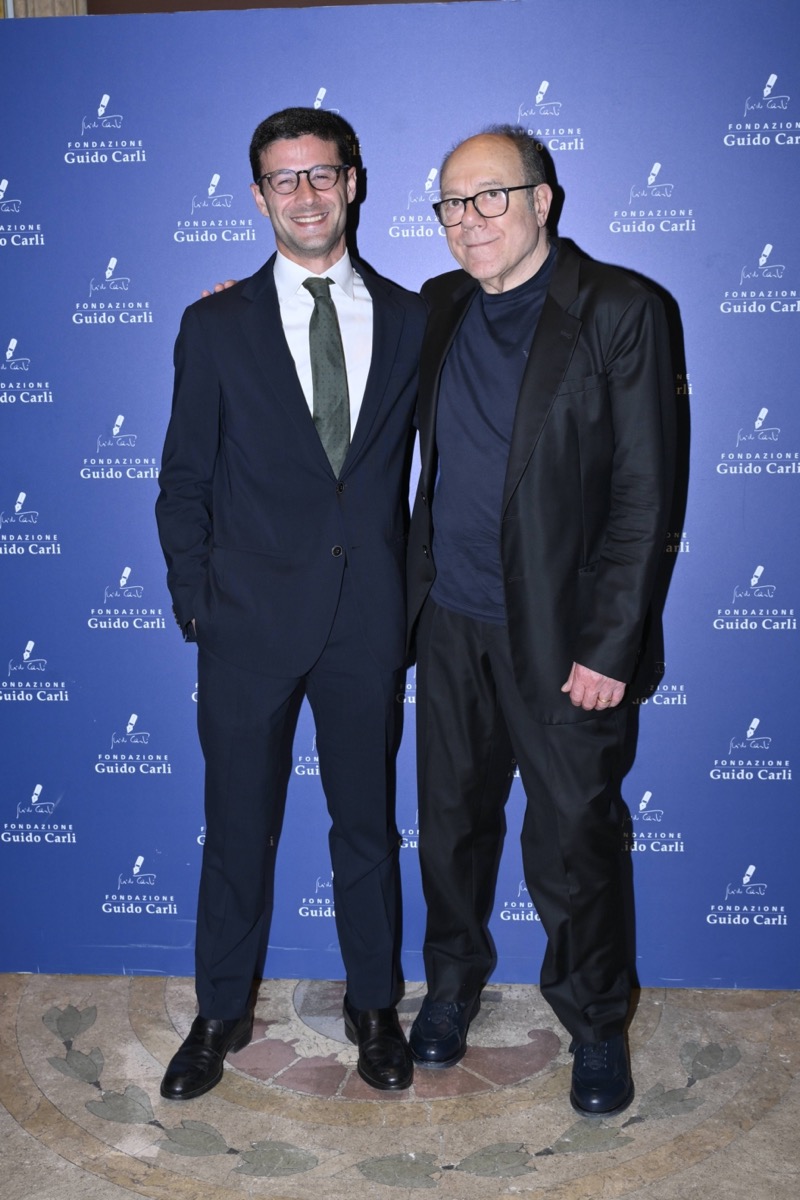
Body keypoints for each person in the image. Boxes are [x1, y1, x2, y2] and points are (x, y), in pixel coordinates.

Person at [155, 107, 426, 1099]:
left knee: (367, 830)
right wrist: (197, 602)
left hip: (366, 621)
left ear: (351, 183)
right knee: (235, 833)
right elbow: (183, 480)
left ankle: (373, 1007)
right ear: (259, 194)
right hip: (244, 626)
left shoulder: (414, 318)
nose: (305, 195)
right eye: (284, 179)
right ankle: (219, 1011)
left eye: (321, 175)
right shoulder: (215, 323)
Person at [405, 126, 675, 1116]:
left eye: (490, 197)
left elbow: (645, 492)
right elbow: (336, 325)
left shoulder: (620, 309)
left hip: (565, 641)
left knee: (573, 847)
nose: (467, 220)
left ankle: (595, 1022)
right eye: (451, 203)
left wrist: (609, 645)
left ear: (541, 201)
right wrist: (247, 308)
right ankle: (449, 986)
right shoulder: (438, 304)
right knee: (449, 830)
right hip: (449, 621)